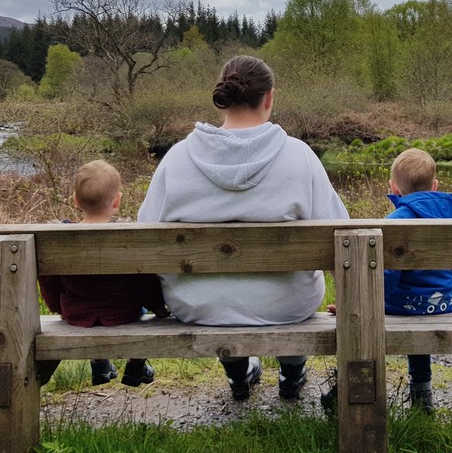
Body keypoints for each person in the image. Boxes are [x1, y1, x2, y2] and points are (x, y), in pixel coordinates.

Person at [137, 55, 349, 402]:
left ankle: (239, 375)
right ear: (269, 98)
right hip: (286, 305)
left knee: (222, 297)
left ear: (224, 96)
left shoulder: (176, 158)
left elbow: (144, 239)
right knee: (291, 292)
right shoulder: (300, 156)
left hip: (198, 305)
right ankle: (292, 373)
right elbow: (342, 234)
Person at [36, 159, 168, 388]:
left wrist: (58, 307)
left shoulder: (60, 237)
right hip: (123, 313)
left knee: (102, 311)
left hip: (76, 313)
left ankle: (100, 364)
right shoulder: (125, 238)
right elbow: (144, 280)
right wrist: (158, 306)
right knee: (142, 312)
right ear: (117, 201)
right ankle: (136, 364)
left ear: (75, 201)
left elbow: (49, 279)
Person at [382, 147, 452, 413]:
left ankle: (348, 386)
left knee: (411, 304)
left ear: (394, 187)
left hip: (401, 306)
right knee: (420, 306)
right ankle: (422, 394)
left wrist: (368, 303)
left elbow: (388, 275)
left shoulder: (394, 220)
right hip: (444, 303)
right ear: (434, 186)